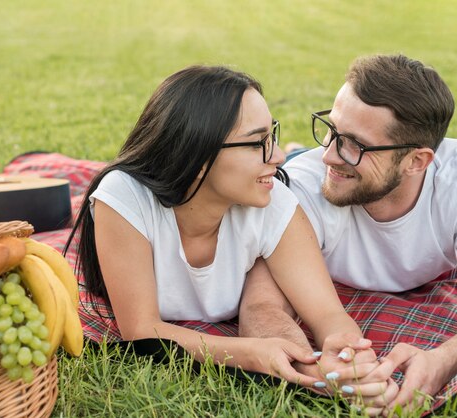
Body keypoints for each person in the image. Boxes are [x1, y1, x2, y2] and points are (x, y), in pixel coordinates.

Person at [66, 65, 390, 399]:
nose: (275, 157)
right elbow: (141, 330)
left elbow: (328, 315)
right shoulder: (125, 197)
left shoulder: (272, 200)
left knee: (293, 162)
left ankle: (296, 148)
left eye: (272, 137)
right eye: (257, 143)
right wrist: (249, 352)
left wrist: (352, 356)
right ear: (198, 154)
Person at [238, 54, 457, 413]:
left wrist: (445, 359)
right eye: (332, 129)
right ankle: (297, 150)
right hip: (304, 175)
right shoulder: (301, 190)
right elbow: (260, 307)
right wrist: (315, 368)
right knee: (304, 161)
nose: (330, 155)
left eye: (355, 144)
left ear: (417, 161)